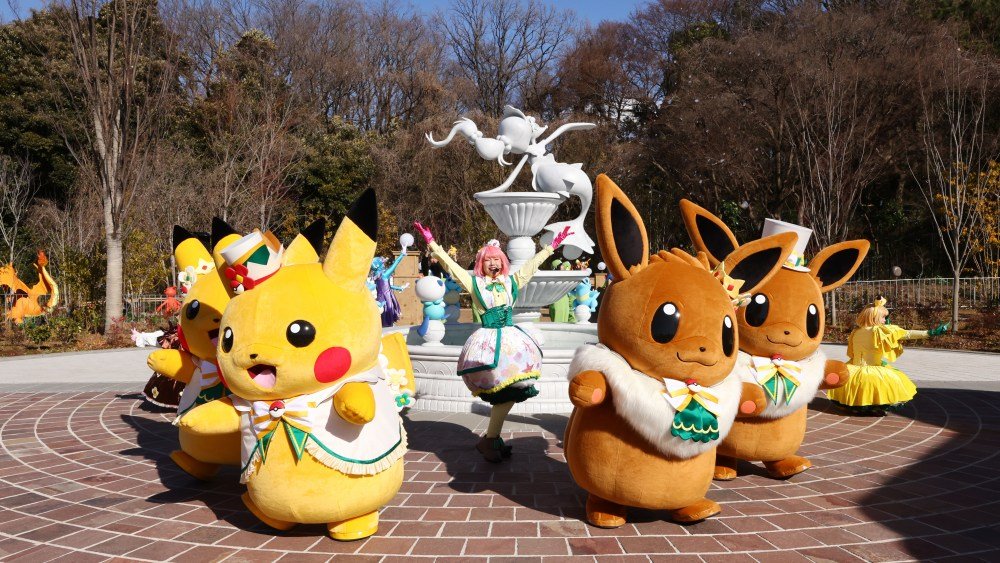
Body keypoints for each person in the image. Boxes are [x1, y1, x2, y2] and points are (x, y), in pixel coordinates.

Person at [413, 221, 572, 462]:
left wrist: (551, 247)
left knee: (513, 390)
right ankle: (491, 440)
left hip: (512, 344)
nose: (493, 263)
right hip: (488, 344)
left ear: (503, 262)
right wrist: (432, 243)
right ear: (481, 264)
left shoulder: (512, 281)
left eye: (496, 259)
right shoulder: (475, 283)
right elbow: (451, 267)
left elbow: (531, 266)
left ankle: (491, 439)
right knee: (504, 393)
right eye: (488, 260)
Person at [827, 296, 948, 415]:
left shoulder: (856, 332)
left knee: (857, 389)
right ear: (874, 317)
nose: (885, 320)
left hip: (853, 369)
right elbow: (907, 334)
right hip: (871, 370)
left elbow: (854, 353)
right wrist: (930, 333)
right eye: (883, 317)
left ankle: (856, 406)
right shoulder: (879, 331)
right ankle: (872, 408)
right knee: (890, 382)